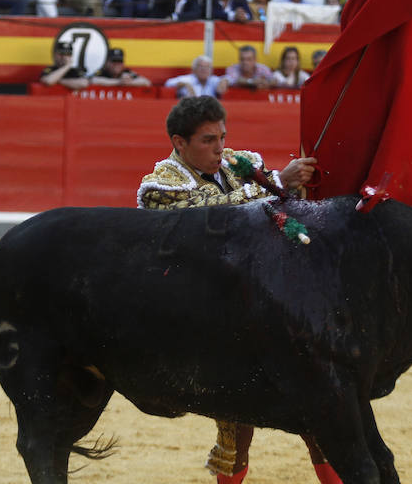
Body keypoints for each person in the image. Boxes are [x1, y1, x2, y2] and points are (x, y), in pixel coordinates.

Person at [136, 96, 327, 484]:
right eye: (208, 140)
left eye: (222, 136)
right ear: (179, 142)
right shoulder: (160, 185)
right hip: (200, 312)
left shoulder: (236, 163)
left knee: (318, 410)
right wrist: (277, 183)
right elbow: (209, 215)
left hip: (257, 299)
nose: (220, 148)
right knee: (236, 423)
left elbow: (276, 202)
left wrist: (297, 184)